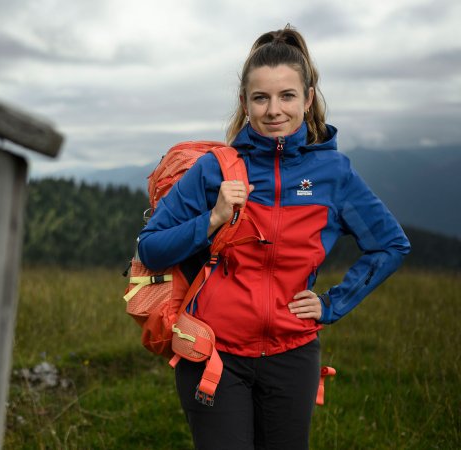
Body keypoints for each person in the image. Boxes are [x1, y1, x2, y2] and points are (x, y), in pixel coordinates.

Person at [137, 25, 410, 450]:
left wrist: (332, 304)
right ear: (245, 103)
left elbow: (391, 244)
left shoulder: (334, 176)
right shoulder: (215, 169)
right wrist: (212, 219)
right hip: (214, 354)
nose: (273, 110)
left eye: (286, 96)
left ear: (308, 97)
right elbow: (150, 249)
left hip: (293, 355)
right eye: (260, 98)